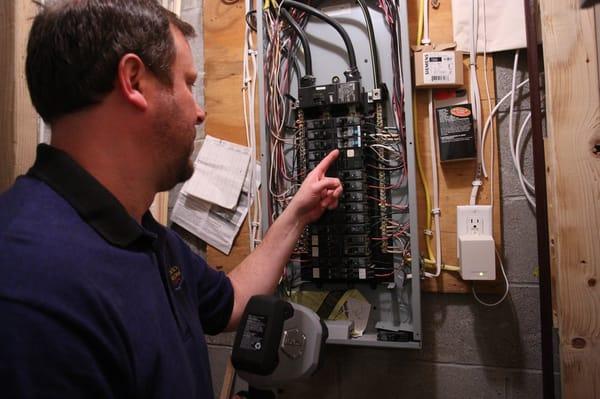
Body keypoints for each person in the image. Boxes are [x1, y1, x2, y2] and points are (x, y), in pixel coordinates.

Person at [0, 1, 342, 398]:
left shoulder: (145, 235)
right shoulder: (27, 286)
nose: (199, 112)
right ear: (134, 80)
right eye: (188, 83)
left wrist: (298, 213)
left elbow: (229, 302)